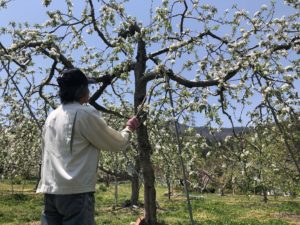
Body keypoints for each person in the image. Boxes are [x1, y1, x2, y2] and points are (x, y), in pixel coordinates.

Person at [36, 68, 139, 225]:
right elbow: (116, 143)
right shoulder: (84, 114)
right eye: (87, 87)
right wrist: (128, 129)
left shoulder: (52, 116)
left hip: (51, 190)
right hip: (75, 192)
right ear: (81, 90)